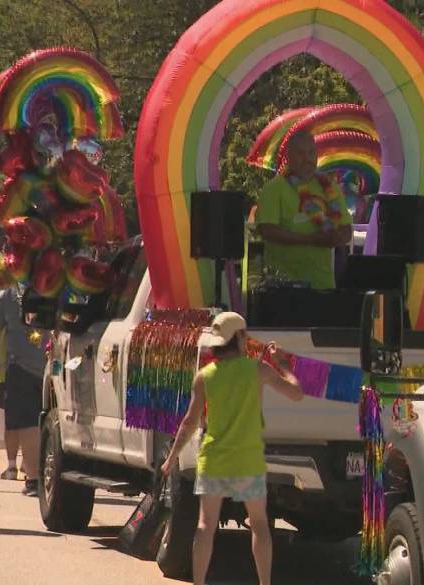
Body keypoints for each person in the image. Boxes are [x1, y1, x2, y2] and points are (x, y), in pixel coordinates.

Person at [162, 312, 304, 585]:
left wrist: (171, 458)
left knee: (205, 526)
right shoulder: (258, 370)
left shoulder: (205, 376)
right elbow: (296, 393)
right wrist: (283, 364)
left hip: (214, 460)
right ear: (239, 338)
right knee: (259, 525)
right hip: (247, 460)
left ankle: (199, 581)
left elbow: (189, 422)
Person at [257, 130, 353, 289]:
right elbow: (267, 231)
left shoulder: (329, 186)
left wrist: (338, 237)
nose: (307, 159)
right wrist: (311, 240)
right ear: (288, 157)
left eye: (311, 153)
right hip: (283, 286)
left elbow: (346, 227)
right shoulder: (274, 188)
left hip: (323, 284)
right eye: (300, 153)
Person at [0, 287, 45, 495]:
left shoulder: (9, 295)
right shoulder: (61, 286)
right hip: (56, 366)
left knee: (28, 424)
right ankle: (43, 475)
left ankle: (34, 479)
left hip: (22, 368)